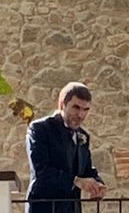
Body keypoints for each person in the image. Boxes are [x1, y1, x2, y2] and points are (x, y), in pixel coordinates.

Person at [25, 82, 107, 213]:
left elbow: (86, 169)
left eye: (86, 109)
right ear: (62, 104)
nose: (81, 115)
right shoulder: (40, 129)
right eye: (76, 107)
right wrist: (75, 181)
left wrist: (97, 184)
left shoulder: (83, 135)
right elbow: (41, 171)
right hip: (44, 208)